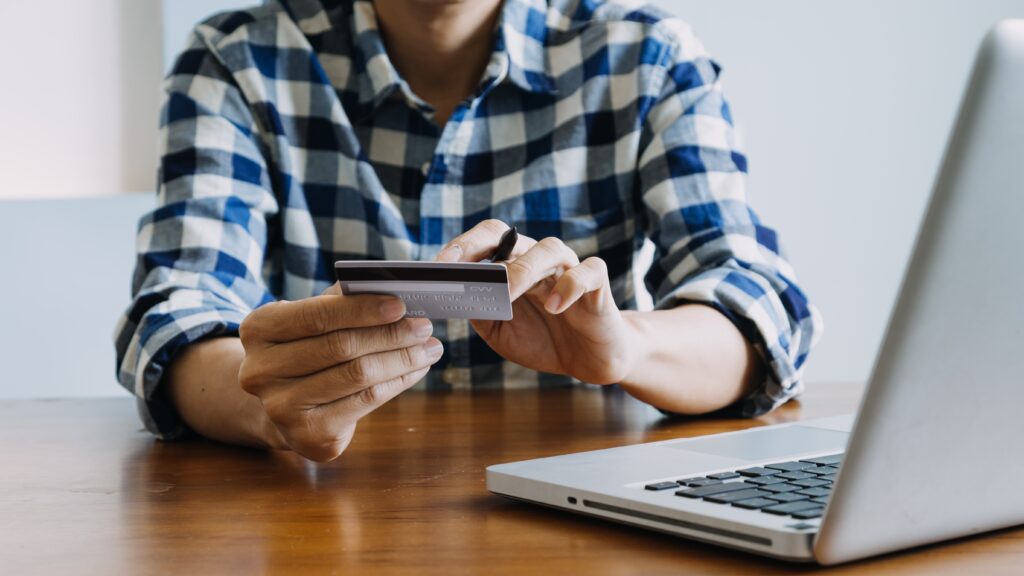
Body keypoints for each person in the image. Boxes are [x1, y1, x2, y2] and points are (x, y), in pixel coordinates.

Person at [115, 0, 821, 462]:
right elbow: (175, 314)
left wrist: (625, 347)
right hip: (322, 518)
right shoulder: (235, 59)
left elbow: (753, 301)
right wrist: (266, 404)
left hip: (578, 513)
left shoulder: (647, 55)